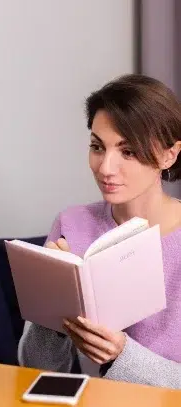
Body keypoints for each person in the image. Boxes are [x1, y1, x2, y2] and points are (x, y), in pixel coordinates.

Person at [18, 74, 181, 389]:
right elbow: (40, 372)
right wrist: (49, 307)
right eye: (97, 146)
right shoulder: (72, 225)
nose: (106, 168)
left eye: (128, 152)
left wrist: (124, 355)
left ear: (168, 155)